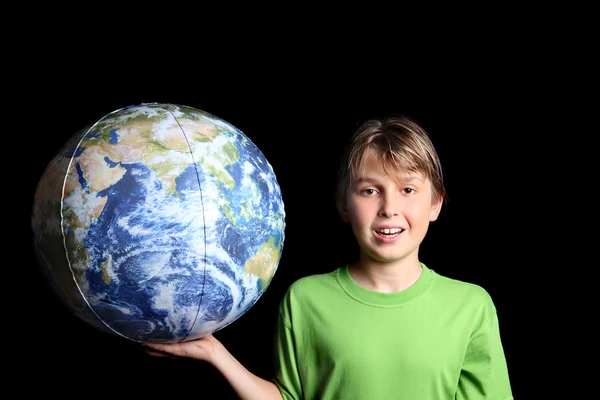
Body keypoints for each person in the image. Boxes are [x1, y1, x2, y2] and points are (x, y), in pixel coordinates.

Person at [143, 115, 513, 399]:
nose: (389, 208)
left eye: (407, 189)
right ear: (343, 205)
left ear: (435, 204)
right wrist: (215, 354)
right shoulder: (306, 299)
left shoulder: (471, 306)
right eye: (370, 190)